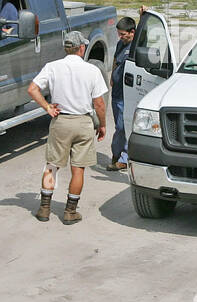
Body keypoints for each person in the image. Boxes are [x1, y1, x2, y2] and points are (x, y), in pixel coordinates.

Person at [27, 30, 108, 224]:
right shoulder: (92, 70)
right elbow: (99, 104)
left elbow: (32, 89)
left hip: (60, 121)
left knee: (51, 165)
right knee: (78, 169)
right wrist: (102, 124)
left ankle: (44, 208)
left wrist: (47, 107)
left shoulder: (53, 67)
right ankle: (70, 211)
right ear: (81, 48)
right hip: (83, 122)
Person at [104, 15, 137, 172]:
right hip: (117, 92)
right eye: (119, 34)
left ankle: (124, 157)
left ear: (132, 32)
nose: (121, 37)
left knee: (123, 126)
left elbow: (146, 33)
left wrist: (144, 15)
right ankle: (117, 155)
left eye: (123, 34)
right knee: (119, 126)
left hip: (128, 93)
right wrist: (112, 77)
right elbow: (116, 60)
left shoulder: (137, 45)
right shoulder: (120, 44)